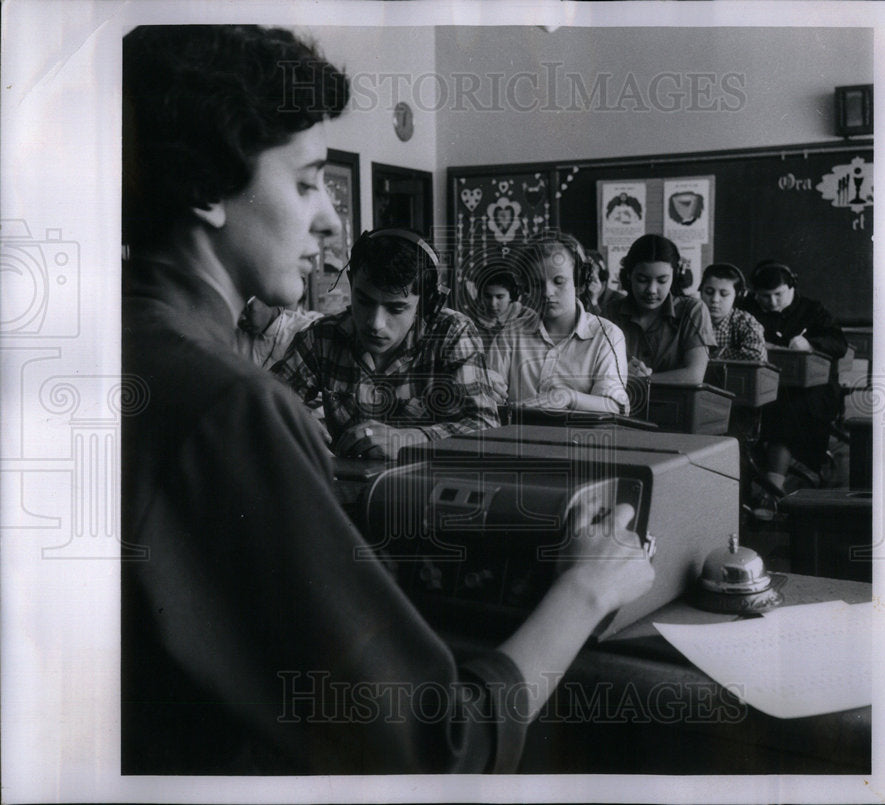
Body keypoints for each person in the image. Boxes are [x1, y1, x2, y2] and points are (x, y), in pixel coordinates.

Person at [122, 24, 653, 775]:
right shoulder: (229, 404)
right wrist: (588, 583)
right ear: (207, 187)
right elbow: (440, 744)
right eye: (306, 181)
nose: (332, 220)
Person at [270, 229, 500, 460]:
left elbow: (486, 427)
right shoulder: (322, 337)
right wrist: (295, 419)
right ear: (350, 282)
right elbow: (262, 400)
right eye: (364, 301)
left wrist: (412, 440)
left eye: (396, 308)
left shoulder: (452, 334)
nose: (375, 324)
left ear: (427, 303)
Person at [742, 259, 848, 516]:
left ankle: (771, 492)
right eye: (764, 296)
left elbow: (839, 344)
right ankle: (746, 488)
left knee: (787, 411)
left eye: (779, 295)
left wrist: (810, 343)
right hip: (764, 386)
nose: (773, 303)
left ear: (792, 287)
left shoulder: (812, 309)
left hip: (813, 389)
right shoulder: (747, 309)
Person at [486, 233, 630, 415]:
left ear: (579, 282)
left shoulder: (607, 336)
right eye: (538, 284)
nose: (547, 292)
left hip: (580, 440)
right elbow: (490, 391)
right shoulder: (510, 334)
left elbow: (615, 406)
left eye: (559, 281)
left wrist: (568, 397)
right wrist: (487, 389)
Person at [602, 234, 715, 383]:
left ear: (675, 276)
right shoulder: (611, 312)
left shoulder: (693, 310)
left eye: (662, 280)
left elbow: (694, 375)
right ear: (629, 275)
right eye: (642, 280)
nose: (652, 290)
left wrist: (643, 380)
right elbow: (599, 369)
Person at [699, 263, 767, 362]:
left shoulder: (746, 322)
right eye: (709, 292)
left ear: (738, 296)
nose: (715, 299)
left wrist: (715, 353)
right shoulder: (689, 317)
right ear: (701, 292)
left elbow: (757, 356)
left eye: (724, 294)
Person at [469, 261, 536, 349]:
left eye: (500, 297)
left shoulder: (528, 317)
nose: (493, 303)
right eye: (487, 296)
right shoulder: (471, 321)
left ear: (512, 296)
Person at [582, 249, 625, 314]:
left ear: (601, 273)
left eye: (591, 268)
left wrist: (593, 302)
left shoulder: (618, 300)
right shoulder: (579, 296)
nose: (586, 272)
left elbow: (602, 323)